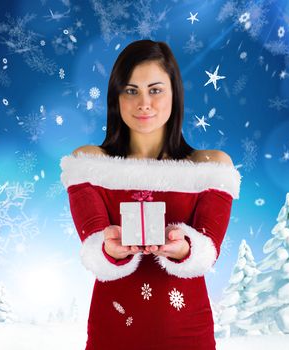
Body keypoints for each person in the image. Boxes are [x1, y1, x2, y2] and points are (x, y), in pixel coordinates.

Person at [60, 39, 241, 350]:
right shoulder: (88, 164)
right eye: (131, 90)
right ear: (116, 98)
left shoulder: (210, 167)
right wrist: (110, 251)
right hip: (113, 332)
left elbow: (209, 249)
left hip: (188, 333)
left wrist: (185, 248)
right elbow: (92, 245)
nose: (144, 102)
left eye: (155, 90)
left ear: (175, 95)